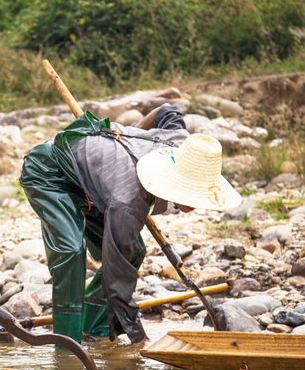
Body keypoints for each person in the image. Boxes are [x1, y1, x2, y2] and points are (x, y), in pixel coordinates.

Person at [19, 103, 242, 345]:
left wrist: (127, 139)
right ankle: (67, 347)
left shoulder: (185, 145)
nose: (195, 204)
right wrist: (139, 336)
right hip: (50, 173)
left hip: (93, 188)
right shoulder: (129, 200)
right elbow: (117, 275)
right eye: (191, 193)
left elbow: (166, 110)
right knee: (72, 253)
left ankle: (93, 328)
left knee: (134, 250)